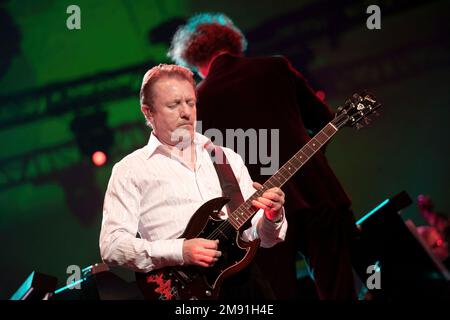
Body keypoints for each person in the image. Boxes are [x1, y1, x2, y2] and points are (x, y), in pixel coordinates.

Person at [168, 13, 359, 300]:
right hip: (316, 194)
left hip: (258, 217)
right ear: (233, 41)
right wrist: (306, 161)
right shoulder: (276, 67)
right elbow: (325, 120)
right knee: (339, 292)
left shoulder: (197, 102)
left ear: (192, 57)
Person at [99, 64, 287, 299]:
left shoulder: (225, 157)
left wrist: (272, 216)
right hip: (185, 291)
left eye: (190, 102)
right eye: (173, 105)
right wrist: (180, 251)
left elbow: (262, 238)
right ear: (148, 112)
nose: (186, 112)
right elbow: (112, 246)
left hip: (247, 285)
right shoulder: (131, 170)